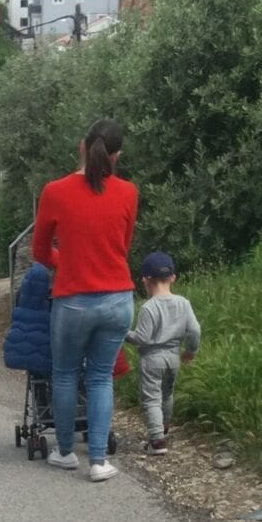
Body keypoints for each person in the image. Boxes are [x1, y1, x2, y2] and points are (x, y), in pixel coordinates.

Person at [32, 119, 138, 483]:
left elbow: (40, 251)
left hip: (73, 300)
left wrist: (67, 263)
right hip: (118, 299)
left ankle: (64, 453)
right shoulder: (128, 192)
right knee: (100, 377)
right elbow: (122, 247)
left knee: (64, 375)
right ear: (117, 156)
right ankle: (98, 461)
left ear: (82, 146)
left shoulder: (55, 191)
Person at [125, 251, 201, 456]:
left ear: (145, 280)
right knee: (167, 394)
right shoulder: (183, 303)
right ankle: (164, 427)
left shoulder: (148, 307)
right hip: (174, 358)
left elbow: (142, 337)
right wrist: (191, 351)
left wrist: (124, 333)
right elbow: (194, 330)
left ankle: (157, 440)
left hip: (152, 359)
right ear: (173, 277)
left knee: (151, 398)